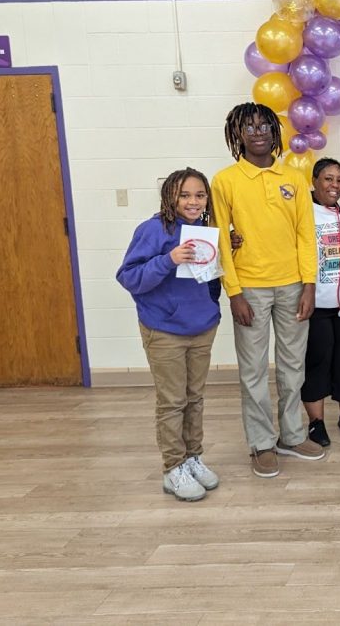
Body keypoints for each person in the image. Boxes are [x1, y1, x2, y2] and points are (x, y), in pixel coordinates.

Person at [212, 102, 324, 479]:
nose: (257, 132)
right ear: (237, 134)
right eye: (249, 127)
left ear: (275, 132)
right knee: (254, 371)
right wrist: (235, 292)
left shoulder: (292, 177)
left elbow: (306, 235)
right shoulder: (225, 180)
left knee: (293, 367)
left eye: (264, 125)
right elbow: (222, 242)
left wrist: (310, 284)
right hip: (251, 289)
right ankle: (261, 443)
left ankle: (291, 436)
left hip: (293, 285)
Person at [117, 168, 222, 501]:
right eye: (184, 195)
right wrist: (168, 259)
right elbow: (129, 277)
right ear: (169, 197)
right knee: (172, 402)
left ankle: (193, 457)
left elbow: (211, 276)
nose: (193, 201)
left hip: (202, 327)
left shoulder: (206, 230)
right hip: (165, 331)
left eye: (199, 195)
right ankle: (172, 468)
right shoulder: (152, 230)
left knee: (195, 398)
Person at [302, 157, 340, 447]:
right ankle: (316, 423)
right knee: (318, 361)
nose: (335, 185)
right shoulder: (303, 212)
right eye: (328, 179)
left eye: (339, 179)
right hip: (317, 305)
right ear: (314, 181)